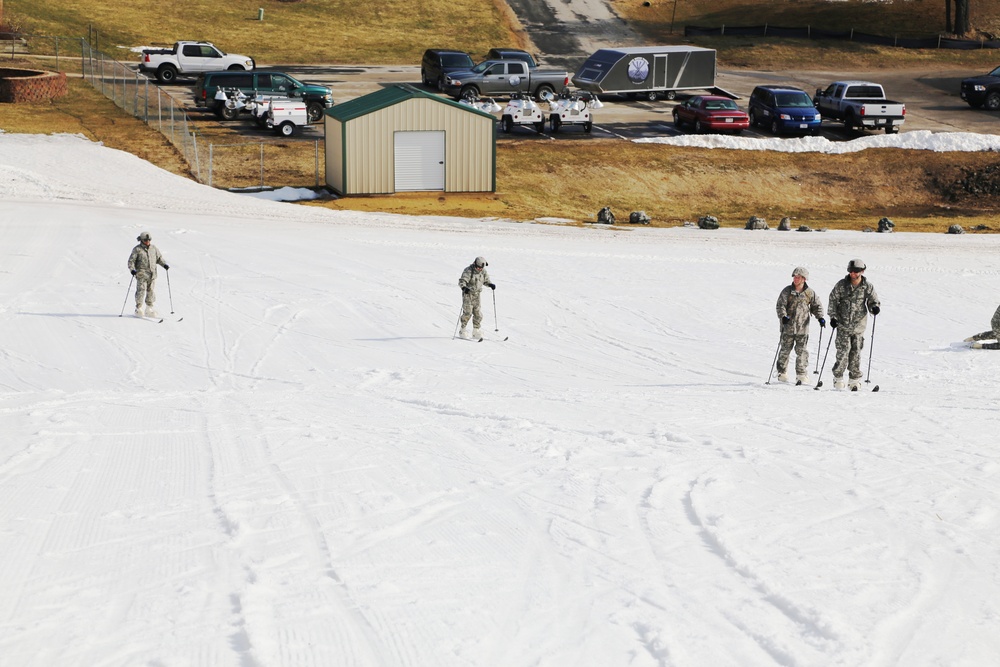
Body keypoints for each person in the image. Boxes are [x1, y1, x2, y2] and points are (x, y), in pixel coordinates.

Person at [828, 259, 880, 390]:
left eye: (855, 271)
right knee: (843, 352)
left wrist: (874, 307)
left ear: (861, 271)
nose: (852, 273)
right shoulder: (841, 285)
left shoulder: (867, 286)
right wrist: (833, 317)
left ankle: (854, 380)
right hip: (843, 325)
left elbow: (873, 300)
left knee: (856, 353)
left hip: (859, 326)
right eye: (850, 271)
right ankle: (838, 378)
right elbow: (833, 300)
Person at [775, 266, 826, 385]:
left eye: (798, 277)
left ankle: (801, 374)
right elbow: (780, 305)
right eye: (794, 277)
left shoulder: (809, 293)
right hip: (788, 327)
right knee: (785, 350)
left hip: (803, 328)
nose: (796, 279)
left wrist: (820, 318)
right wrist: (783, 316)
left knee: (802, 352)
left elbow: (816, 306)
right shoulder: (787, 291)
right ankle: (781, 372)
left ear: (804, 279)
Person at [127, 232, 169, 318]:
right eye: (145, 240)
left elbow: (159, 258)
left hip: (152, 275)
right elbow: (131, 261)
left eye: (149, 240)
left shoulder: (154, 248)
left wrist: (164, 264)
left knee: (151, 291)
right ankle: (138, 309)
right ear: (141, 240)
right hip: (141, 275)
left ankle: (149, 308)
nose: (147, 241)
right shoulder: (137, 249)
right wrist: (132, 270)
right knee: (141, 291)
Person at [458, 256, 495, 339]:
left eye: (481, 268)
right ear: (475, 264)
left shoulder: (483, 271)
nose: (480, 269)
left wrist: (490, 284)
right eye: (478, 267)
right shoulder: (468, 270)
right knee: (468, 312)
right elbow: (462, 281)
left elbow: (486, 281)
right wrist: (464, 288)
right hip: (468, 294)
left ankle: (476, 331)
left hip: (477, 294)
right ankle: (462, 330)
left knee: (477, 313)